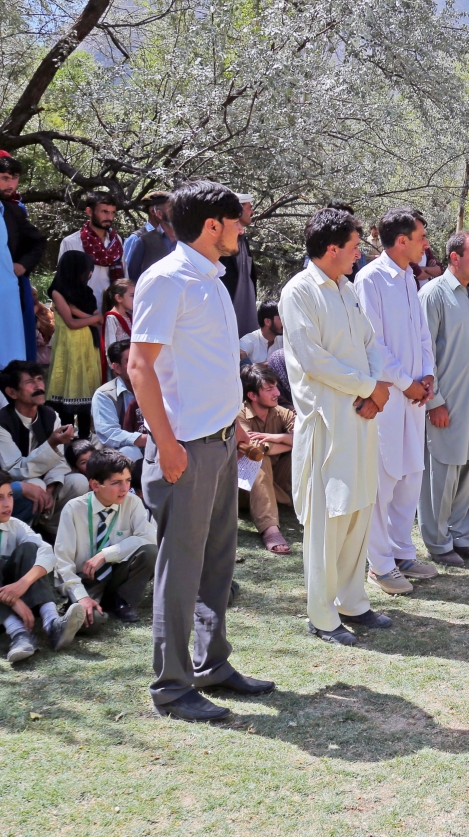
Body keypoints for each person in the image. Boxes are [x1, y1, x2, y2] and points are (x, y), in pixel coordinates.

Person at [129, 178, 274, 722]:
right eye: (237, 218)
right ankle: (171, 687)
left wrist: (235, 430)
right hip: (183, 449)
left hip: (216, 442)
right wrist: (166, 445)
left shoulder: (212, 276)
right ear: (212, 225)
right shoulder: (166, 279)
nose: (242, 226)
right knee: (181, 569)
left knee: (216, 563)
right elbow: (139, 366)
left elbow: (209, 367)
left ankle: (212, 664)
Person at [279, 207, 392, 644]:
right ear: (331, 249)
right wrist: (367, 386)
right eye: (353, 247)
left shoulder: (346, 288)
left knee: (360, 507)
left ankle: (352, 600)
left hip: (362, 414)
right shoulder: (299, 292)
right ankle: (322, 615)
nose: (358, 254)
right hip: (327, 419)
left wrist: (377, 387)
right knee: (329, 518)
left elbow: (369, 342)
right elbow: (314, 360)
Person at [353, 208, 439, 595]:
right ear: (401, 240)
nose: (425, 244)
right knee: (384, 477)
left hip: (414, 395)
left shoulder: (408, 278)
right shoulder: (370, 279)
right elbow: (374, 343)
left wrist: (428, 375)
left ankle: (403, 551)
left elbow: (422, 335)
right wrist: (405, 383)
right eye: (421, 236)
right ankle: (380, 564)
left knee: (410, 473)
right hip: (389, 393)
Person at [419, 232, 469, 566]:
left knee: (468, 467)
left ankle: (460, 537)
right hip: (446, 399)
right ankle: (437, 542)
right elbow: (424, 353)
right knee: (442, 469)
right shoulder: (433, 294)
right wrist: (435, 402)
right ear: (454, 258)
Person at [53, 450, 158, 630]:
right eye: (116, 483)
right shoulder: (74, 509)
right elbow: (62, 563)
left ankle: (122, 601)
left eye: (127, 481)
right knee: (90, 623)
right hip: (86, 579)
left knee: (149, 551)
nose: (125, 488)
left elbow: (148, 537)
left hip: (117, 574)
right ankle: (85, 605)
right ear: (95, 485)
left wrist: (105, 554)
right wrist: (81, 596)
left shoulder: (132, 502)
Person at [1, 472, 85, 663]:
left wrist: (22, 584)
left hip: (12, 593)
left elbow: (48, 553)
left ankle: (52, 623)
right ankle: (19, 634)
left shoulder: (15, 525)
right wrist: (14, 601)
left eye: (10, 496)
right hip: (6, 605)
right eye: (0, 498)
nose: (7, 504)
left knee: (31, 549)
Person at [0, 359, 88, 532]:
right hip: (14, 486)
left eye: (39, 379)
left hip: (46, 482)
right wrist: (51, 443)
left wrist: (50, 488)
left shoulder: (50, 415)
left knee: (78, 482)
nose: (38, 386)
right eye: (30, 382)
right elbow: (14, 470)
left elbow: (60, 461)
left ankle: (55, 532)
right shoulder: (2, 422)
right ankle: (25, 534)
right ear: (12, 392)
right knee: (35, 484)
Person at [236, 364, 295, 556]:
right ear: (252, 395)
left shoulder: (281, 413)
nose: (277, 393)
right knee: (259, 460)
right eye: (269, 389)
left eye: (276, 387)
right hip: (244, 490)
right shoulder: (239, 414)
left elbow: (307, 438)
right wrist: (288, 442)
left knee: (305, 451)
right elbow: (255, 449)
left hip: (276, 485)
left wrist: (272, 437)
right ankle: (270, 529)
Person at [45, 250, 103, 437]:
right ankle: (66, 439)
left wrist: (77, 311)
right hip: (68, 348)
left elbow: (99, 320)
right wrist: (89, 318)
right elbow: (71, 323)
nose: (90, 274)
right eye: (87, 269)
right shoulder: (57, 291)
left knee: (86, 393)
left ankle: (85, 437)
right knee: (67, 393)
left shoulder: (86, 292)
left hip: (87, 346)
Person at [0, 155, 48, 366]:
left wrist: (23, 265)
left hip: (9, 297)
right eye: (4, 178)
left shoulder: (12, 211)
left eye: (14, 178)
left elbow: (37, 242)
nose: (10, 184)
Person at [59, 193, 124, 313]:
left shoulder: (116, 241)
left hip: (113, 309)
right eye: (104, 211)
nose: (109, 217)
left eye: (112, 212)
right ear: (89, 211)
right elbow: (64, 284)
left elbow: (124, 277)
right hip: (83, 312)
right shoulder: (71, 243)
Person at [91, 339, 147, 478]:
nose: (137, 363)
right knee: (130, 452)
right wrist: (147, 439)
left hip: (153, 445)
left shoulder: (155, 387)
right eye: (129, 360)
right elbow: (109, 434)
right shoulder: (104, 395)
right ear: (117, 368)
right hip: (117, 454)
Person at [219, 193, 259, 337]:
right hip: (226, 313)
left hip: (247, 313)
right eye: (249, 208)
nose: (252, 212)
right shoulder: (222, 241)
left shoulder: (243, 239)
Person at [124, 191, 176, 284]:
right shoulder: (138, 239)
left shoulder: (183, 239)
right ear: (155, 212)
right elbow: (129, 278)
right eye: (172, 210)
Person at [100, 279, 133, 375]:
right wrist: (114, 368)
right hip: (119, 367)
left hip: (129, 363)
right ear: (118, 298)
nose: (135, 299)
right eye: (132, 296)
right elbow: (110, 345)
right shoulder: (111, 318)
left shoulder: (129, 316)